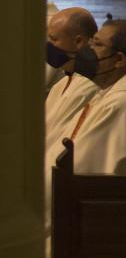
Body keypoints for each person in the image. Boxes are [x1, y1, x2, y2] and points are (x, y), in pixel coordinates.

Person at [46, 19, 126, 231]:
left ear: (119, 60)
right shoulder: (114, 95)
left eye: (97, 44)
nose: (87, 50)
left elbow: (86, 168)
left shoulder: (125, 105)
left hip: (102, 223)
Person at [44, 9, 100, 161]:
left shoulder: (88, 87)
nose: (48, 46)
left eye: (54, 39)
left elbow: (58, 140)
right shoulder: (62, 83)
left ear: (78, 42)